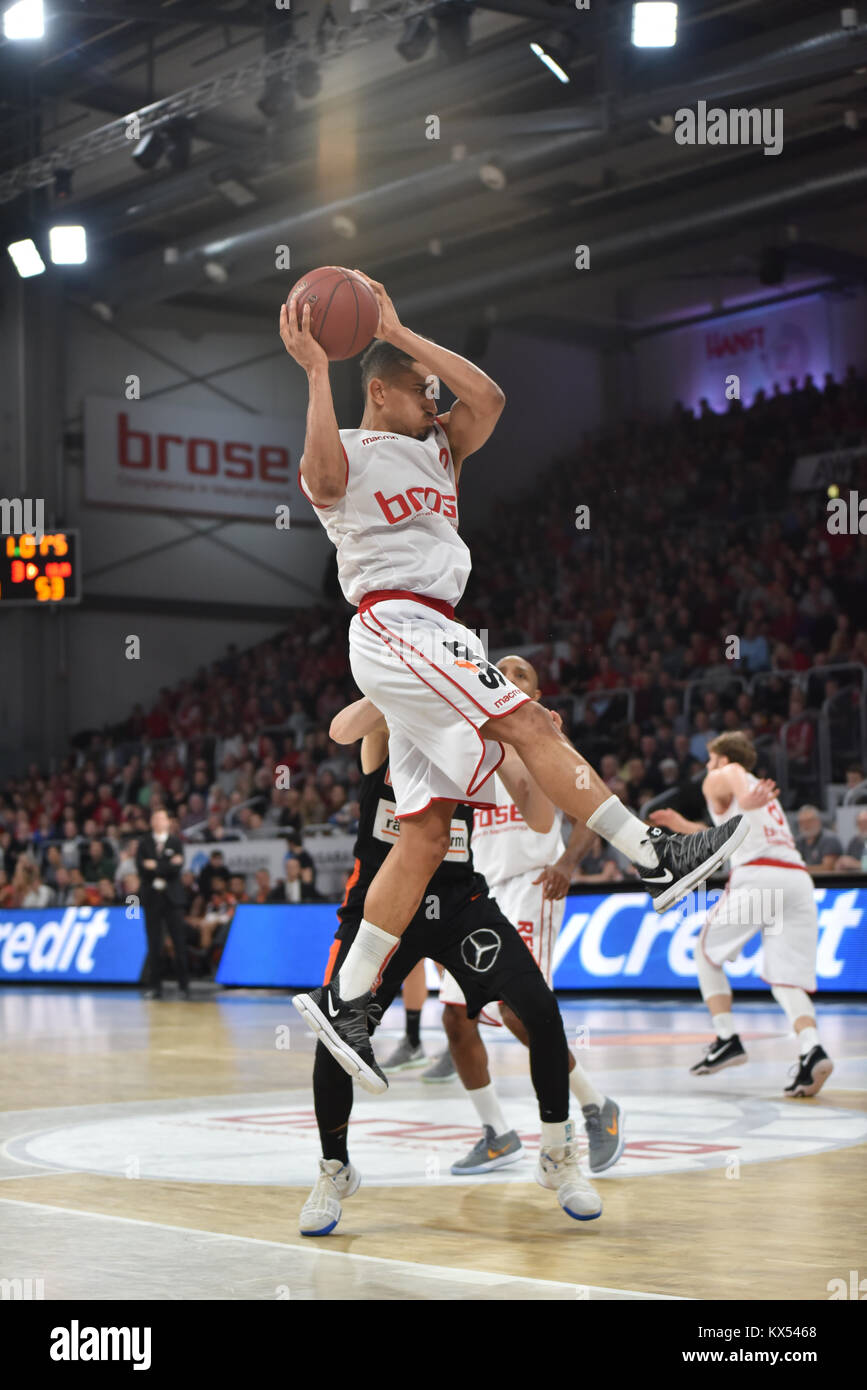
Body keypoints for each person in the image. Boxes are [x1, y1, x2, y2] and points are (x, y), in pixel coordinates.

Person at [281, 269, 747, 1139]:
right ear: (374, 390)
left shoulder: (441, 448)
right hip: (393, 620)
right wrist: (316, 370)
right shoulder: (347, 446)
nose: (434, 397)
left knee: (423, 830)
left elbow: (487, 394)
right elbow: (315, 472)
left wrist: (401, 327)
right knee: (527, 720)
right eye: (417, 389)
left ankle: (347, 1003)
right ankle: (648, 852)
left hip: (434, 628)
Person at [301, 707, 605, 1233]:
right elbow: (342, 727)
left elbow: (536, 818)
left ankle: (557, 1151)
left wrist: (528, 739)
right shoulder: (389, 725)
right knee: (336, 1037)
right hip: (380, 906)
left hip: (457, 900)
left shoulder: (470, 736)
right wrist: (404, 678)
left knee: (538, 1008)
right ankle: (334, 1170)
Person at [437, 654, 624, 1176]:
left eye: (522, 675)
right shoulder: (474, 746)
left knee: (520, 1010)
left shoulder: (548, 742)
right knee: (455, 1016)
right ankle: (496, 1133)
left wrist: (567, 861)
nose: (508, 677)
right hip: (479, 891)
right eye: (502, 670)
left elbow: (594, 808)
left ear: (537, 697)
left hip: (533, 884)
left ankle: (595, 1105)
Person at [650, 732, 833, 1098]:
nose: (707, 765)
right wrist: (683, 824)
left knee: (705, 953)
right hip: (796, 879)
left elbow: (731, 773)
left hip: (760, 876)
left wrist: (742, 793)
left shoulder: (726, 774)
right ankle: (811, 1049)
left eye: (711, 758)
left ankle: (726, 1037)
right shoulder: (759, 797)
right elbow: (719, 835)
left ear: (720, 757)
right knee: (786, 979)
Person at [136, 808, 190, 1000]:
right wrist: (166, 864)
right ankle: (155, 986)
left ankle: (184, 986)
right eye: (155, 818)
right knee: (154, 943)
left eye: (162, 818)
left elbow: (176, 868)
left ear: (168, 822)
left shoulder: (176, 842)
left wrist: (156, 866)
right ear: (151, 822)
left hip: (173, 899)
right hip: (152, 899)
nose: (158, 822)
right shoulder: (144, 843)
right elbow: (142, 869)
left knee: (178, 942)